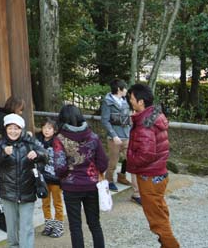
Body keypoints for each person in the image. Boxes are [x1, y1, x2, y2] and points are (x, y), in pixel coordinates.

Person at [125, 83, 180, 248]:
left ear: (141, 102)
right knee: (160, 213)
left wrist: (129, 159)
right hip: (159, 173)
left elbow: (146, 154)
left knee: (157, 221)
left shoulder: (145, 124)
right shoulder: (155, 116)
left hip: (149, 176)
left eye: (132, 98)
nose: (130, 101)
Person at [53, 103, 107, 248]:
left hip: (71, 187)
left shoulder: (60, 139)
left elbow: (60, 168)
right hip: (91, 185)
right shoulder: (93, 136)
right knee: (95, 223)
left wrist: (68, 173)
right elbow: (103, 163)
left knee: (75, 226)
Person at [0, 113, 46, 248]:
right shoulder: (0, 143)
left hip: (27, 190)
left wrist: (37, 154)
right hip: (8, 192)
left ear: (21, 129)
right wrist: (3, 154)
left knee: (26, 226)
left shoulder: (30, 142)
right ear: (5, 129)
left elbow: (46, 155)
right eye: (10, 128)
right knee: (11, 228)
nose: (13, 131)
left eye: (16, 128)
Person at [0, 95, 26, 231]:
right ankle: (3, 217)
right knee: (4, 190)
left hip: (6, 159)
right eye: (20, 109)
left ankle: (6, 217)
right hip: (4, 159)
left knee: (5, 189)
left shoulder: (1, 118)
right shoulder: (5, 121)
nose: (21, 112)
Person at [101, 78, 137, 195]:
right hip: (114, 138)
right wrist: (113, 135)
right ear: (119, 89)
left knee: (130, 159)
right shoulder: (108, 102)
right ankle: (109, 179)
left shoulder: (125, 100)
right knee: (113, 161)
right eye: (124, 88)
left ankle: (122, 176)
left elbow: (129, 116)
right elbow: (105, 120)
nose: (126, 90)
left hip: (127, 135)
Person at [38, 117, 65, 238]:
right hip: (43, 177)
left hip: (55, 178)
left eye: (49, 128)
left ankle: (59, 226)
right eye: (44, 128)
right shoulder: (37, 141)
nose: (46, 130)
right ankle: (48, 224)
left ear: (54, 130)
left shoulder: (58, 142)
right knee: (45, 202)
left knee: (58, 202)